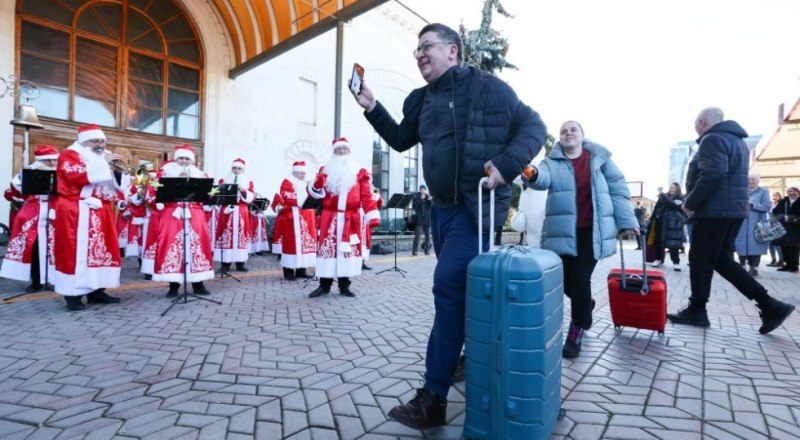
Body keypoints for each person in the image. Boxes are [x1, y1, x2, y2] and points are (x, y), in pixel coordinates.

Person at [350, 22, 546, 430]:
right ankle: (466, 356)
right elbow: (402, 138)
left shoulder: (488, 88)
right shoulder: (421, 99)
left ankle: (433, 397)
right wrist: (371, 106)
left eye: (427, 47)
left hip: (474, 207)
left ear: (453, 51)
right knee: (459, 293)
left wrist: (506, 166)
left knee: (447, 285)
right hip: (440, 211)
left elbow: (534, 127)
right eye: (416, 50)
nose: (420, 54)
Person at [667, 107, 794, 333]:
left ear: (702, 121)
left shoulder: (712, 139)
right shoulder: (737, 141)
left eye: (696, 123)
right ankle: (770, 305)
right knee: (722, 260)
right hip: (732, 211)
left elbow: (713, 174)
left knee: (699, 258)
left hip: (714, 212)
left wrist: (691, 203)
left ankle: (697, 310)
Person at [524, 121, 639, 358]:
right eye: (564, 131)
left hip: (592, 232)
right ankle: (585, 305)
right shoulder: (552, 161)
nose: (568, 133)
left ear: (582, 135)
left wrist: (628, 220)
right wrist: (532, 174)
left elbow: (618, 189)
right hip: (561, 232)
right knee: (563, 282)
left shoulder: (600, 158)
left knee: (580, 279)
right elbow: (542, 178)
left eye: (573, 129)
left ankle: (576, 332)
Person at [52, 124, 123, 311]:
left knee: (102, 249)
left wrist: (117, 173)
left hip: (101, 211)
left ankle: (96, 290)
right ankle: (72, 295)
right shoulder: (70, 154)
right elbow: (76, 176)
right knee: (75, 252)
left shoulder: (102, 157)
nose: (100, 144)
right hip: (77, 209)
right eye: (95, 141)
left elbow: (118, 187)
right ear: (84, 141)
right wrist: (105, 163)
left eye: (102, 141)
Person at [306, 138, 379, 298]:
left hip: (350, 218)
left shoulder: (360, 172)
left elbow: (366, 195)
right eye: (339, 149)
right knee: (327, 251)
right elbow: (312, 194)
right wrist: (317, 185)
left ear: (349, 151)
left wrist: (371, 214)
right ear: (334, 152)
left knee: (346, 252)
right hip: (329, 217)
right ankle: (324, 286)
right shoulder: (325, 170)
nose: (342, 152)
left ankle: (344, 286)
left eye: (345, 149)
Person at [152, 145, 215, 297]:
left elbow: (211, 193)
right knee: (172, 247)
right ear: (175, 158)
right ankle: (173, 285)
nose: (184, 161)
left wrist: (212, 192)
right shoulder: (164, 172)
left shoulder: (201, 175)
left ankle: (198, 284)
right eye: (181, 158)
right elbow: (153, 189)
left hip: (195, 215)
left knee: (197, 246)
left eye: (187, 158)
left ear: (192, 161)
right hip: (172, 214)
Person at [0, 145, 59, 292]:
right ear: (39, 161)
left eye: (54, 160)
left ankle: (52, 279)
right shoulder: (27, 173)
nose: (52, 163)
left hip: (54, 213)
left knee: (54, 249)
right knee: (33, 249)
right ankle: (36, 281)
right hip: (34, 213)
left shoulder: (61, 173)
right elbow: (14, 192)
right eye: (48, 161)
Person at [271, 161, 317, 280]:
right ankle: (289, 271)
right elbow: (286, 196)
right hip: (292, 217)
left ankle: (302, 270)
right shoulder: (288, 182)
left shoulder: (305, 183)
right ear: (295, 172)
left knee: (305, 243)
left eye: (304, 173)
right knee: (291, 245)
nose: (303, 175)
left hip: (307, 217)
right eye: (301, 173)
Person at [214, 158, 254, 272]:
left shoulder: (248, 181)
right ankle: (225, 264)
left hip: (241, 211)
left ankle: (240, 263)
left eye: (239, 168)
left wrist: (242, 190)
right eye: (234, 168)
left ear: (243, 170)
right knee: (226, 236)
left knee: (240, 236)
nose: (236, 170)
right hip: (227, 211)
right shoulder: (224, 180)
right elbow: (216, 194)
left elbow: (251, 198)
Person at [734, 174, 771, 276]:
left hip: (757, 224)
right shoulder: (741, 191)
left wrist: (753, 205)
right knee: (740, 245)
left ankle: (754, 268)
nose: (751, 181)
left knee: (756, 246)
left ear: (758, 181)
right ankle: (742, 266)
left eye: (753, 179)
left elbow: (767, 207)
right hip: (741, 223)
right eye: (749, 180)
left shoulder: (763, 192)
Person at [649, 182, 688, 271]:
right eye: (670, 187)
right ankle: (658, 259)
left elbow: (674, 206)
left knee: (673, 244)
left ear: (677, 189)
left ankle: (676, 262)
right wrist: (657, 214)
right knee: (658, 242)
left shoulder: (680, 198)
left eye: (674, 188)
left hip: (673, 225)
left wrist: (663, 196)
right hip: (661, 223)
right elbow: (657, 208)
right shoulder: (664, 197)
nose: (671, 189)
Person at [773, 183, 800, 273]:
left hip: (796, 227)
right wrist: (781, 215)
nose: (791, 193)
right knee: (784, 245)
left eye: (793, 191)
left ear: (798, 192)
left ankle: (794, 265)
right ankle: (787, 265)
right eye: (789, 191)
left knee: (793, 246)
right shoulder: (784, 201)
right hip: (784, 226)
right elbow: (775, 211)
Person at [361, 184, 383, 270]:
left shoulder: (372, 192)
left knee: (366, 240)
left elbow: (379, 204)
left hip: (366, 220)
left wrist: (377, 194)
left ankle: (363, 262)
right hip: (360, 217)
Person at [411, 184, 432, 256]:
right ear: (419, 190)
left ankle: (427, 250)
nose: (422, 191)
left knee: (428, 237)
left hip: (427, 219)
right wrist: (421, 199)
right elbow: (414, 206)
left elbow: (432, 205)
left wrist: (429, 198)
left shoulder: (428, 197)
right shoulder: (416, 196)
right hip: (419, 219)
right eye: (421, 190)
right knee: (417, 236)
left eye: (424, 190)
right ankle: (415, 251)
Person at [767, 191, 785, 267]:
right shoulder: (771, 204)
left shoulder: (782, 204)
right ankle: (773, 259)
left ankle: (781, 260)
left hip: (778, 226)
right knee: (770, 244)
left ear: (780, 196)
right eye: (773, 196)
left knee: (777, 244)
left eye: (776, 195)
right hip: (769, 225)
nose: (774, 197)